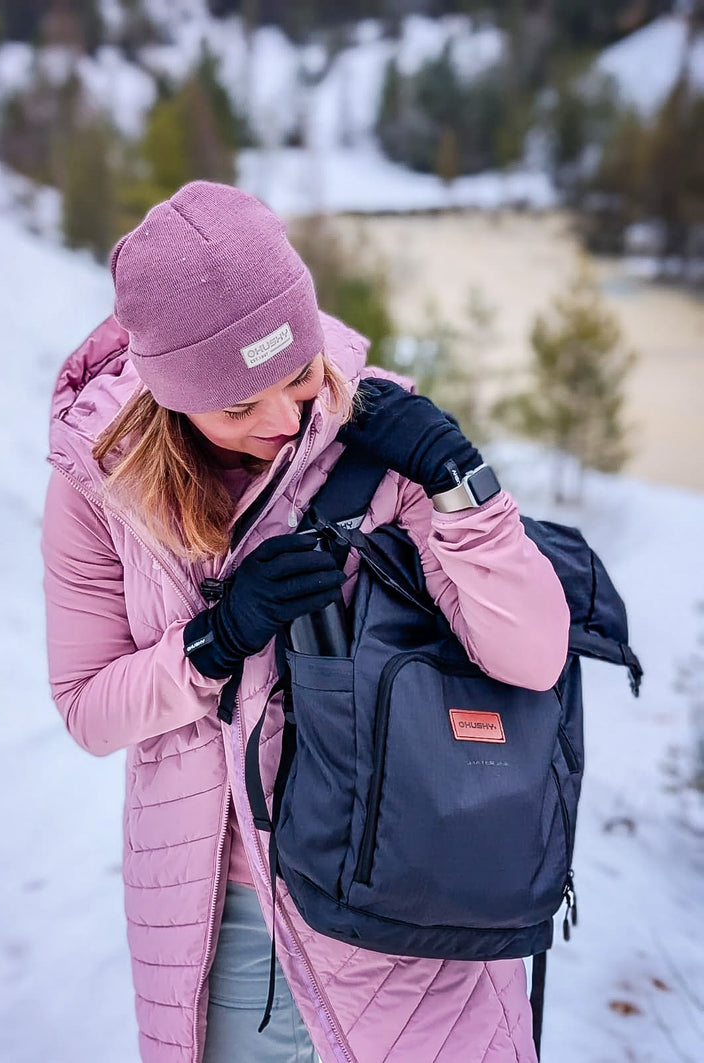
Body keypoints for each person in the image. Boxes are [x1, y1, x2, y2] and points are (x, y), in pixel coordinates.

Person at [41, 180, 570, 1063]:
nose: (286, 421)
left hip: (409, 891)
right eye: (238, 406)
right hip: (226, 920)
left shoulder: (383, 431)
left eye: (297, 376)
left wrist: (460, 481)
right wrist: (216, 642)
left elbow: (533, 654)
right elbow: (89, 708)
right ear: (171, 395)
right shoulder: (101, 484)